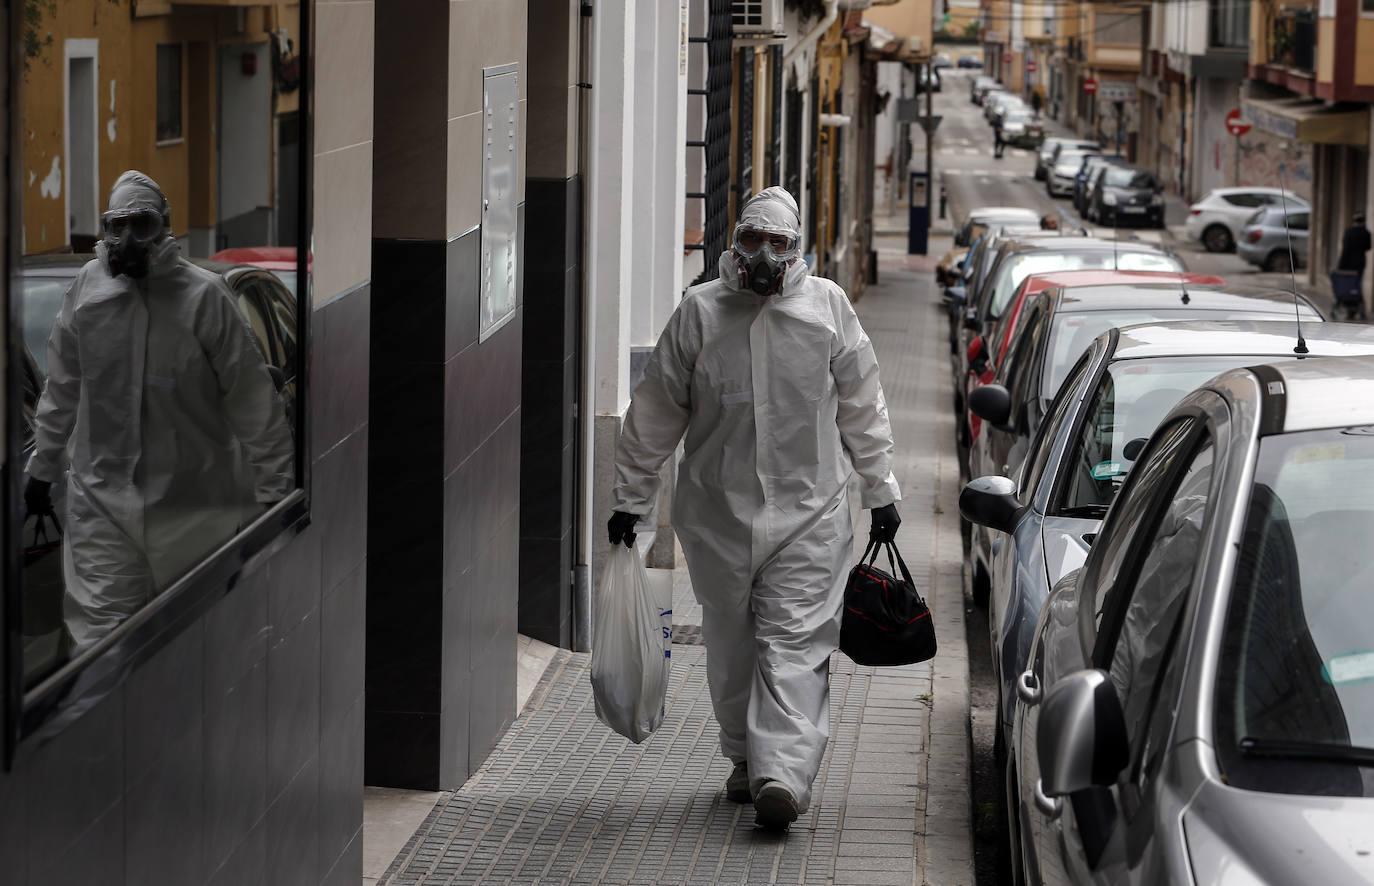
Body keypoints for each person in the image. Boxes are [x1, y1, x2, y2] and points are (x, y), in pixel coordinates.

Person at [608, 186, 901, 831]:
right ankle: (745, 759)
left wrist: (881, 491)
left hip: (810, 517)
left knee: (793, 645)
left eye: (779, 243)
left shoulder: (827, 311)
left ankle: (784, 777)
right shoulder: (700, 316)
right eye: (752, 240)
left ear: (797, 251)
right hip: (718, 518)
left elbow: (863, 402)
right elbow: (656, 411)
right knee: (733, 646)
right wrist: (631, 501)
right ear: (734, 243)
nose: (764, 255)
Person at [25, 170, 295, 653]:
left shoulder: (204, 299)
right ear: (105, 230)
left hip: (192, 510)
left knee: (188, 647)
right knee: (101, 647)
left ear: (165, 228)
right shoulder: (85, 295)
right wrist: (42, 469)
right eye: (118, 225)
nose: (129, 239)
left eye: (142, 225)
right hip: (102, 509)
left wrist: (276, 494)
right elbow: (61, 387)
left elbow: (253, 400)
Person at [1334, 211, 1372, 320]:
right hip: (1360, 264)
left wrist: (1340, 266)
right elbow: (1368, 247)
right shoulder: (1366, 233)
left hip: (1348, 264)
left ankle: (1350, 311)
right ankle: (1359, 310)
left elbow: (1345, 250)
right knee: (1356, 286)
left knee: (1347, 287)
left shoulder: (1349, 232)